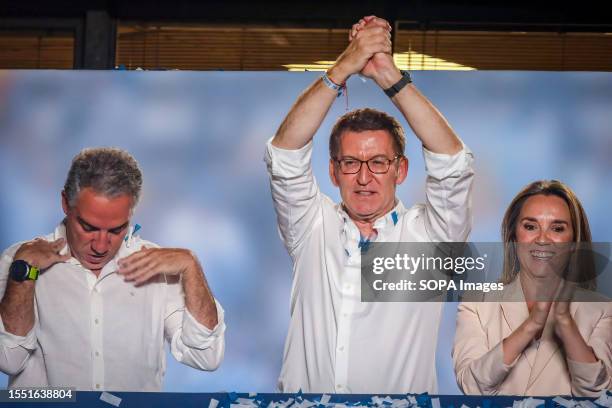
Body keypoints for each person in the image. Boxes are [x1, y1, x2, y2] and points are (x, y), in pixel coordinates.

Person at [265, 16, 474, 393]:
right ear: (333, 171)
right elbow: (285, 151)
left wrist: (388, 75)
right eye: (351, 163)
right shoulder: (311, 225)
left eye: (378, 162)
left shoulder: (431, 237)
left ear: (401, 169)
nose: (364, 178)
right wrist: (345, 65)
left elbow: (453, 162)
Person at [0, 147, 225, 391]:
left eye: (116, 230)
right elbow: (9, 360)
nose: (100, 245)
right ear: (65, 203)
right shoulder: (21, 261)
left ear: (132, 214)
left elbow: (206, 357)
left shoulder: (161, 267)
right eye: (88, 227)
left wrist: (191, 265)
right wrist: (26, 272)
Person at [453, 180, 612, 396]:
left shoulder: (603, 309)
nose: (543, 239)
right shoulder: (476, 303)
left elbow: (599, 393)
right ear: (513, 237)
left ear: (574, 242)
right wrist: (531, 325)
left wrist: (565, 323)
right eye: (530, 226)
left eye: (557, 228)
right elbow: (473, 386)